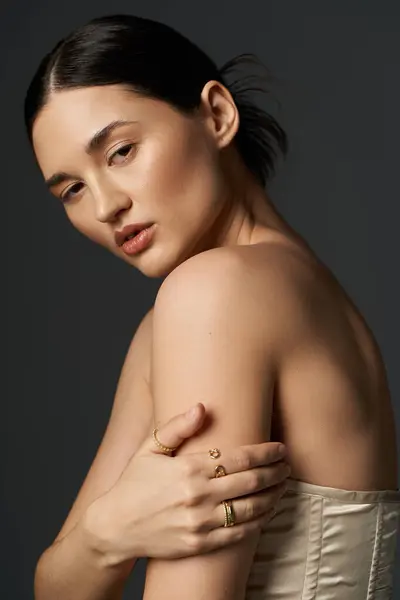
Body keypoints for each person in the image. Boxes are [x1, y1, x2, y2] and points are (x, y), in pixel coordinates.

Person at [25, 13, 400, 600]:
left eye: (121, 151)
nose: (104, 206)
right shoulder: (261, 292)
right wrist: (105, 534)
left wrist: (101, 545)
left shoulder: (215, 294)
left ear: (218, 115)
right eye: (71, 188)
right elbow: (55, 586)